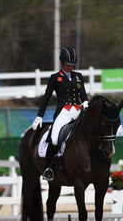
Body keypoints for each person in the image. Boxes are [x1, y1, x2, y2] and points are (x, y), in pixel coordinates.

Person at [31, 46, 89, 180]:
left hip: (78, 110)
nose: (71, 68)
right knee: (55, 138)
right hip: (64, 112)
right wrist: (39, 116)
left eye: (73, 65)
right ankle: (47, 169)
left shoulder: (78, 77)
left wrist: (85, 102)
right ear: (62, 63)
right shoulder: (55, 78)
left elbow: (83, 95)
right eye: (69, 65)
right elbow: (46, 98)